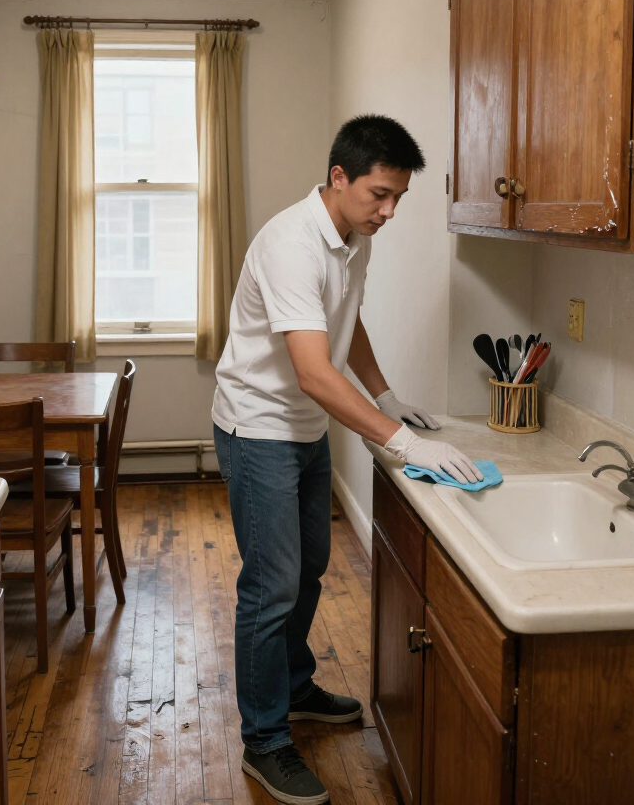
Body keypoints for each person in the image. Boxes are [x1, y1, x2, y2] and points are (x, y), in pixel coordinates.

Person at [212, 114, 481, 805]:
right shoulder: (290, 245)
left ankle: (294, 688)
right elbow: (312, 372)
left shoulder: (352, 237)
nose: (389, 212)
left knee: (309, 572)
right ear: (339, 178)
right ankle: (265, 742)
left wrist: (387, 392)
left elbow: (345, 318)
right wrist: (400, 437)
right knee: (271, 585)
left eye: (398, 198)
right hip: (257, 424)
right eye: (379, 195)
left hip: (304, 426)